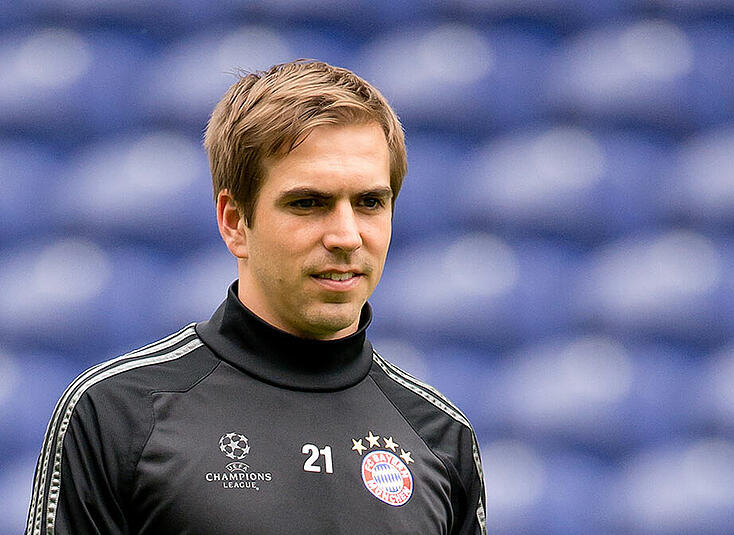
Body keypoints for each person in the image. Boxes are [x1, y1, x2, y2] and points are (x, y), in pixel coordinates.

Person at [25, 60, 486, 534]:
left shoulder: (440, 436)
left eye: (370, 202)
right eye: (308, 203)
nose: (347, 236)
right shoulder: (118, 413)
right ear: (234, 221)